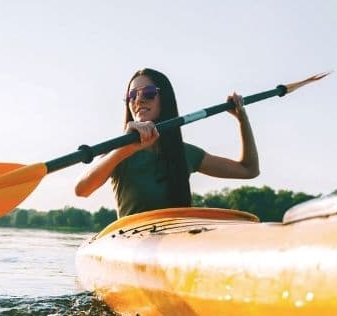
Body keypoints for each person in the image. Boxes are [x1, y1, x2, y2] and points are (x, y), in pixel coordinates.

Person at [75, 68, 260, 217]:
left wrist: (243, 120)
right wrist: (125, 148)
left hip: (176, 239)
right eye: (132, 96)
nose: (138, 100)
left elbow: (249, 170)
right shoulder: (117, 152)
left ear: (165, 100)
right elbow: (82, 190)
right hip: (134, 241)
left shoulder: (185, 153)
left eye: (148, 93)